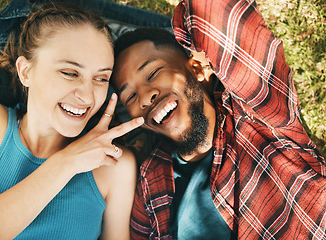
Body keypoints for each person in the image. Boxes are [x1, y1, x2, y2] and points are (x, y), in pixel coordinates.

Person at [110, 0, 326, 239]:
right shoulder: (149, 180)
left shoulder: (258, 114)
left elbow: (216, 9)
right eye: (129, 96)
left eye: (153, 73)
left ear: (197, 68)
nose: (144, 97)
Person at [0, 2, 144, 239]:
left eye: (101, 78)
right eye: (70, 73)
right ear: (25, 71)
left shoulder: (114, 166)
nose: (87, 95)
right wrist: (67, 162)